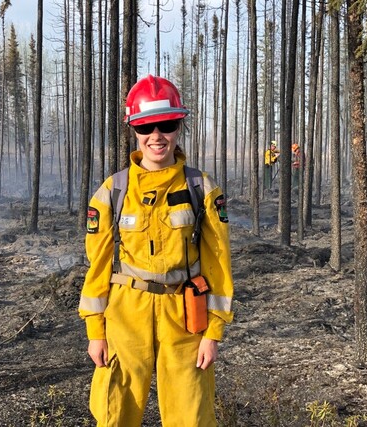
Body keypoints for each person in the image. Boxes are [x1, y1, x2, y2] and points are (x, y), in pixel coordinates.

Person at [79, 75, 234, 426]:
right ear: (134, 130)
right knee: (115, 412)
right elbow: (98, 266)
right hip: (125, 315)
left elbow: (219, 264)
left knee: (191, 415)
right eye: (146, 126)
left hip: (184, 317)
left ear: (179, 126)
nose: (156, 136)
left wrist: (213, 333)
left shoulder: (202, 189)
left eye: (166, 125)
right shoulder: (113, 192)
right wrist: (95, 331)